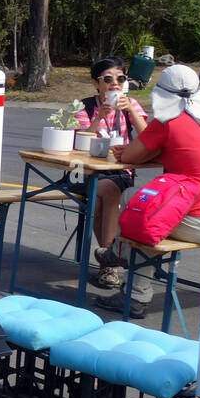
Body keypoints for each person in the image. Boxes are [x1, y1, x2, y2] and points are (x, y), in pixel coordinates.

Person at [93, 64, 200, 317]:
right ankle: (121, 255)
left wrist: (140, 150)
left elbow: (131, 155)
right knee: (155, 209)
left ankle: (129, 279)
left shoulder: (167, 120)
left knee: (141, 205)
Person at [70, 56, 149, 289]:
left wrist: (132, 113)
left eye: (120, 78)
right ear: (96, 83)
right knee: (99, 194)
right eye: (108, 79)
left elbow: (148, 138)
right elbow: (81, 143)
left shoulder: (131, 104)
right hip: (87, 170)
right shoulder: (83, 106)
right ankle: (109, 260)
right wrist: (101, 116)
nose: (115, 84)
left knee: (105, 191)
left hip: (120, 170)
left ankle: (108, 261)